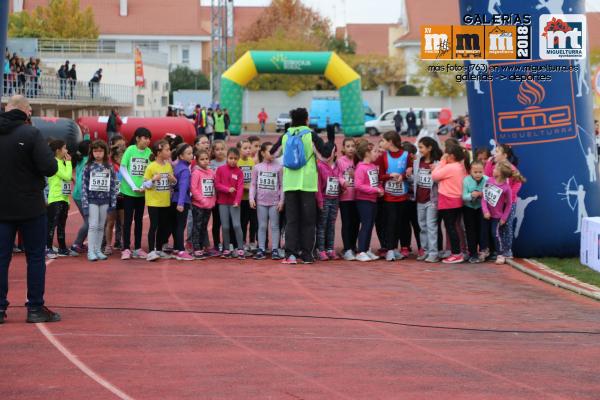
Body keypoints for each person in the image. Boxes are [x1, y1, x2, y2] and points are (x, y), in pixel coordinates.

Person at [0, 95, 60, 324]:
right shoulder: (31, 133)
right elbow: (50, 167)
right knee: (35, 257)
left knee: (1, 259)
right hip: (30, 207)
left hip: (1, 207)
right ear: (25, 111)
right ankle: (35, 307)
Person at [269, 108, 331, 264]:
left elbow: (272, 153)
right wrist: (330, 140)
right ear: (306, 120)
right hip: (307, 183)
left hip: (290, 183)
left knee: (292, 220)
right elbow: (325, 155)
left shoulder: (286, 135)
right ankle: (307, 254)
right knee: (308, 220)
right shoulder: (310, 134)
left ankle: (290, 254)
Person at [376, 131, 414, 262]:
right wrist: (390, 176)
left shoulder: (406, 155)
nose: (382, 143)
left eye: (384, 141)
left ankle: (395, 249)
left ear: (390, 141)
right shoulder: (383, 157)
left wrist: (402, 176)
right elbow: (380, 175)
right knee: (390, 222)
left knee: (399, 223)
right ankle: (390, 250)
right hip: (389, 197)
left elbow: (409, 172)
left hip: (402, 196)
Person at [431, 144, 469, 264]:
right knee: (454, 226)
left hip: (449, 200)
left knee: (450, 227)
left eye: (446, 154)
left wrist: (441, 162)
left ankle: (456, 254)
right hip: (456, 200)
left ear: (451, 156)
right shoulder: (459, 166)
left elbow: (434, 176)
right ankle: (459, 252)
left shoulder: (450, 167)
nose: (444, 155)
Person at [81, 140, 118, 261]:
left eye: (100, 151)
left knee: (102, 226)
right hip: (92, 200)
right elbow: (84, 186)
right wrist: (85, 204)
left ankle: (98, 250)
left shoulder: (109, 167)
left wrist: (113, 203)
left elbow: (113, 186)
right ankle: (91, 251)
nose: (98, 153)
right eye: (95, 151)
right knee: (93, 225)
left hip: (105, 201)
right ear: (91, 152)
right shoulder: (88, 167)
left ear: (105, 152)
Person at [120, 128, 152, 260]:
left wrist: (144, 186)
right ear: (138, 138)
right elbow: (123, 168)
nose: (147, 141)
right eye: (145, 138)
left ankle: (138, 248)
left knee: (139, 221)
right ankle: (126, 248)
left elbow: (151, 171)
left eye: (149, 138)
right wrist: (133, 186)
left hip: (142, 193)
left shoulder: (149, 152)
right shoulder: (130, 150)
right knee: (127, 220)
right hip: (129, 192)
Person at [250, 142, 284, 260]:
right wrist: (251, 198)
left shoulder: (279, 167)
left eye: (274, 151)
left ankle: (275, 249)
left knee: (274, 226)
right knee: (262, 226)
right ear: (263, 153)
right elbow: (253, 184)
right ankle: (261, 249)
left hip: (274, 202)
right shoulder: (257, 167)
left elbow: (282, 185)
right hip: (261, 202)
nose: (273, 154)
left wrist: (281, 201)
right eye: (270, 151)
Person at [143, 140, 176, 262]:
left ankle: (159, 249)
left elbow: (173, 183)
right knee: (154, 226)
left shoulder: (168, 165)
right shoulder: (151, 166)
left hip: (165, 201)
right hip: (154, 202)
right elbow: (145, 184)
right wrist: (153, 180)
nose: (169, 152)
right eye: (167, 150)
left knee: (163, 226)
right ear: (158, 152)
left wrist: (173, 179)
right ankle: (151, 251)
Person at [46, 140, 78, 258]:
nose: (67, 151)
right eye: (64, 148)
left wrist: (67, 200)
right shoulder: (54, 163)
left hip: (63, 198)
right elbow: (67, 176)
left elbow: (66, 182)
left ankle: (62, 248)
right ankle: (48, 247)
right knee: (52, 224)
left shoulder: (62, 162)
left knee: (61, 224)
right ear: (58, 150)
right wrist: (69, 163)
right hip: (55, 198)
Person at [354, 141, 384, 262]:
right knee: (366, 225)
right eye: (375, 151)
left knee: (370, 225)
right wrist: (374, 190)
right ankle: (361, 251)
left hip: (373, 200)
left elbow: (375, 182)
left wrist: (379, 189)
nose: (378, 154)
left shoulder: (372, 166)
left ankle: (366, 249)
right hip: (363, 200)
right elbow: (358, 185)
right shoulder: (361, 168)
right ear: (367, 153)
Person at [414, 137, 442, 263]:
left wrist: (435, 170)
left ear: (429, 148)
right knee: (422, 226)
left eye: (421, 147)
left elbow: (439, 180)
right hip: (420, 199)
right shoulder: (418, 161)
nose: (419, 150)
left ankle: (433, 252)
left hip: (432, 200)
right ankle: (425, 250)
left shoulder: (438, 163)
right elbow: (415, 179)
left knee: (431, 226)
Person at [481, 161, 514, 265]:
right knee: (484, 233)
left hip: (497, 216)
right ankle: (485, 251)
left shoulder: (506, 188)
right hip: (486, 215)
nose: (493, 170)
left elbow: (509, 204)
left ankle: (500, 254)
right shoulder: (489, 181)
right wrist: (485, 211)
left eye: (495, 169)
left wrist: (504, 218)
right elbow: (484, 198)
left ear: (499, 173)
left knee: (495, 234)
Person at [215, 147, 245, 259]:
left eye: (235, 158)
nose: (233, 160)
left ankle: (240, 248)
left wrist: (237, 201)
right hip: (222, 202)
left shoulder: (239, 172)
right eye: (230, 158)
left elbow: (240, 187)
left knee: (237, 225)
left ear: (238, 159)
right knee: (225, 226)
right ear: (227, 158)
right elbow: (217, 184)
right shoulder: (220, 169)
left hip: (234, 203)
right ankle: (226, 248)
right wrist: (227, 189)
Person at [190, 149, 216, 259]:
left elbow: (214, 187)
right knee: (197, 225)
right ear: (197, 161)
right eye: (202, 159)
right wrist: (202, 200)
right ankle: (196, 248)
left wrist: (212, 200)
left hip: (209, 205)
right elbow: (193, 189)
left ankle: (202, 246)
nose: (205, 161)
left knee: (204, 226)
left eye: (206, 159)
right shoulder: (196, 173)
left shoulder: (211, 172)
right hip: (198, 205)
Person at [316, 141, 340, 261]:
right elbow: (318, 186)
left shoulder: (337, 166)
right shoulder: (320, 166)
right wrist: (320, 201)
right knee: (322, 225)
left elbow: (339, 180)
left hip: (335, 199)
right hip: (324, 199)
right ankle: (320, 249)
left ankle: (330, 248)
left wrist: (343, 186)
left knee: (331, 224)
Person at [170, 143, 194, 261]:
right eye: (189, 154)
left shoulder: (177, 167)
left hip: (174, 199)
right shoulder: (185, 170)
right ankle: (181, 250)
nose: (192, 156)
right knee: (180, 226)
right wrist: (180, 203)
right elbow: (183, 187)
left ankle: (176, 248)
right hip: (182, 200)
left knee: (175, 225)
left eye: (192, 153)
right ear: (181, 156)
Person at [337, 138, 359, 261]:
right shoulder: (340, 161)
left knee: (356, 223)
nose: (351, 148)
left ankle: (353, 245)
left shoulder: (358, 161)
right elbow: (338, 175)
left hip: (357, 197)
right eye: (348, 146)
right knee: (347, 223)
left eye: (353, 146)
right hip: (345, 198)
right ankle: (347, 248)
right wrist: (343, 182)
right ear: (344, 148)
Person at [462, 160, 488, 264]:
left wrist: (482, 194)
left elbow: (489, 194)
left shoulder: (487, 180)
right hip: (469, 208)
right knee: (470, 230)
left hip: (482, 208)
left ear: (484, 171)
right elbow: (463, 196)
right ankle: (472, 253)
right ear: (470, 171)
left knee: (482, 229)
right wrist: (471, 195)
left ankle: (483, 251)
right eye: (475, 172)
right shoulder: (466, 180)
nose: (478, 174)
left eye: (480, 172)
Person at [70, 140, 91, 254]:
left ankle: (80, 243)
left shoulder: (80, 158)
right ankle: (76, 244)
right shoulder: (87, 161)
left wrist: (87, 135)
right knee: (90, 221)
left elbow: (84, 145)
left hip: (78, 194)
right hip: (82, 194)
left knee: (88, 220)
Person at [237, 139, 257, 252]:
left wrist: (253, 189)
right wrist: (246, 188)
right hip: (242, 198)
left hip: (252, 198)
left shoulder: (252, 161)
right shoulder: (238, 162)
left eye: (249, 148)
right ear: (239, 150)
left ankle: (252, 241)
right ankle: (243, 241)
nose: (248, 150)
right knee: (243, 221)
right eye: (245, 148)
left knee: (253, 221)